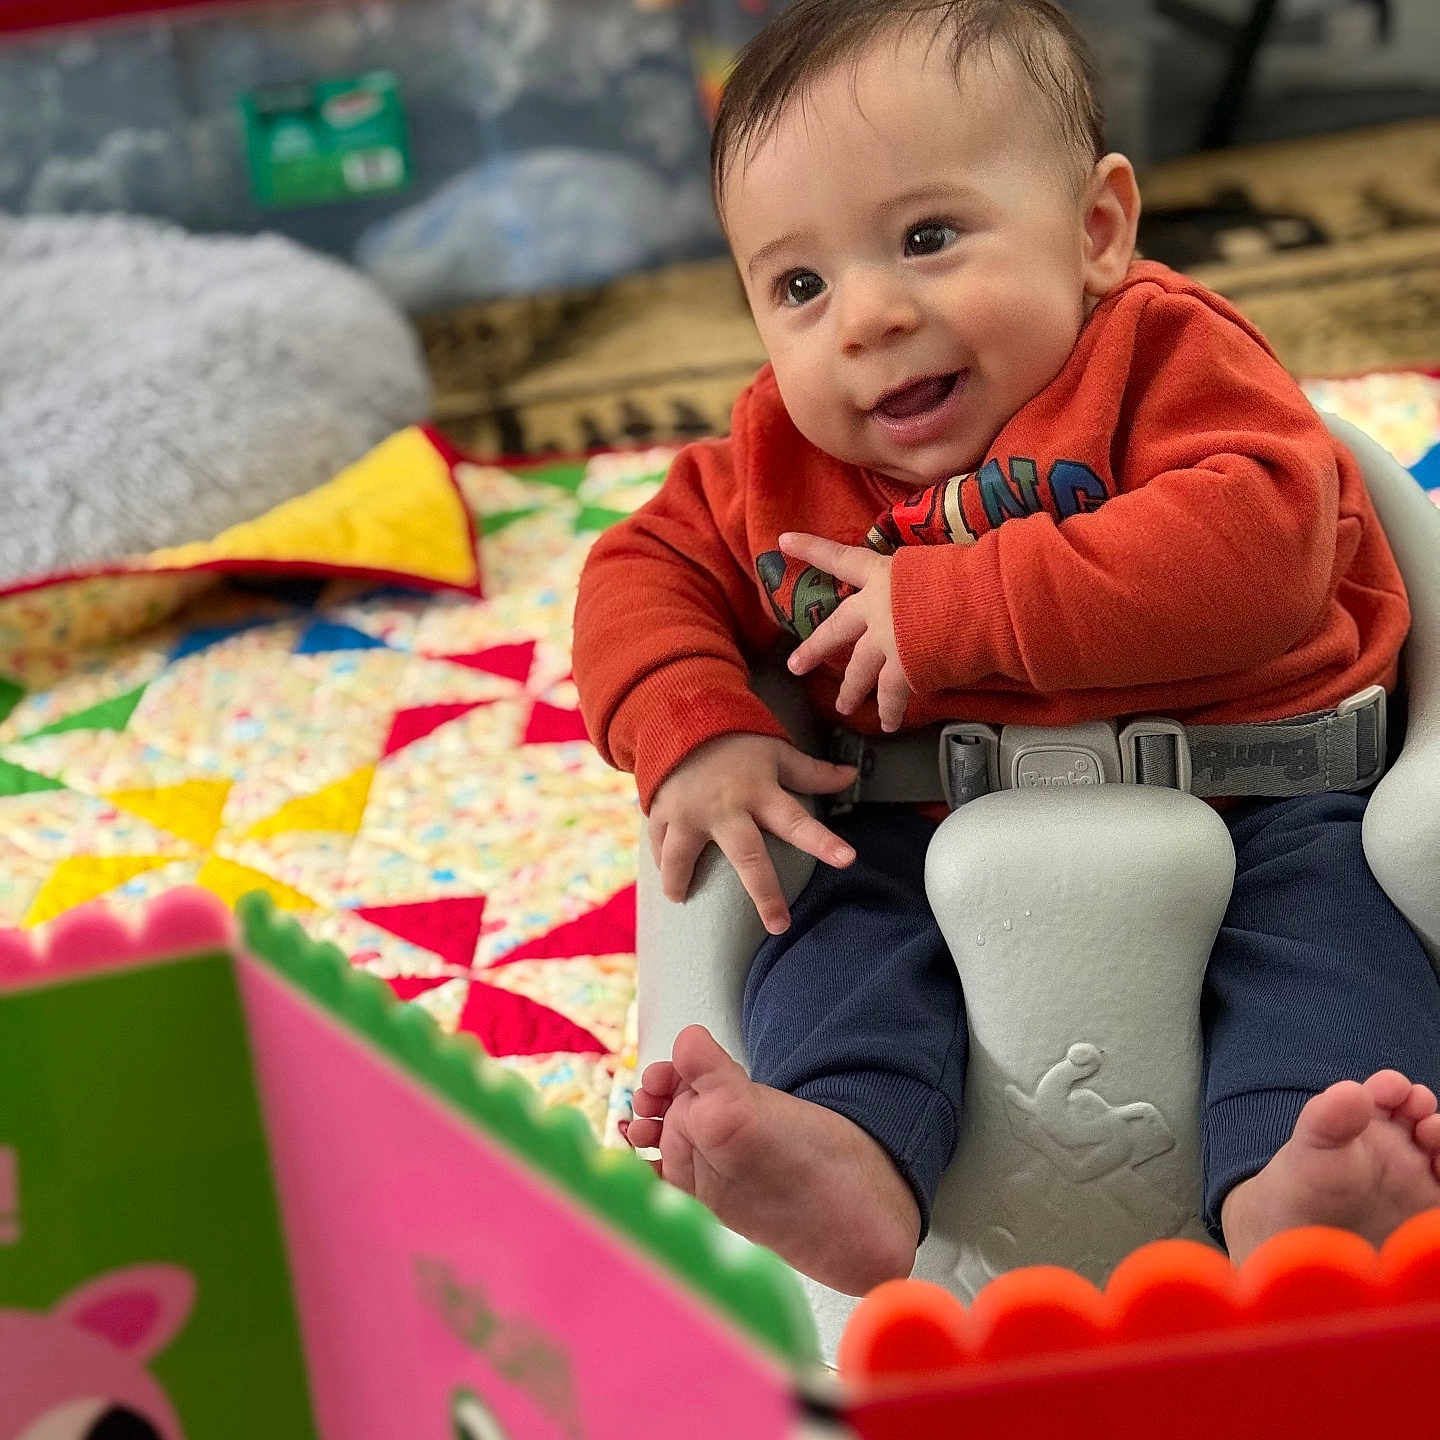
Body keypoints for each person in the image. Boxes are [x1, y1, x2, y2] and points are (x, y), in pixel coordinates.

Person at [571, 0, 1440, 1296]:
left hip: (1260, 786)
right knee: (826, 927)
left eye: (927, 238)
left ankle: (1310, 1194)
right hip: (917, 824)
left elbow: (1260, 544)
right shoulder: (775, 461)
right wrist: (704, 729)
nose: (864, 318)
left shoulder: (1169, 359)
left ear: (1095, 231)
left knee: (1327, 950)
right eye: (799, 285)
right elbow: (636, 575)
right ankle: (842, 1160)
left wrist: (953, 607)